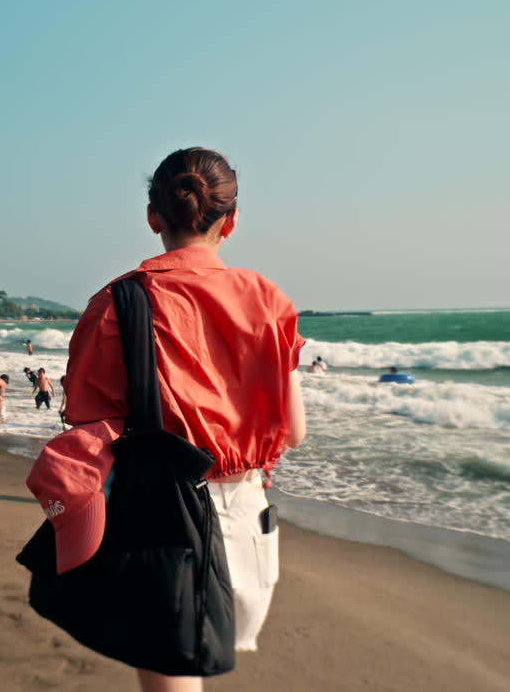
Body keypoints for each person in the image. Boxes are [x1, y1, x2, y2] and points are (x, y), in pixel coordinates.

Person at [26, 147, 306, 691]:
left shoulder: (118, 302)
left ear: (153, 216)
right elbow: (293, 431)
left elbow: (89, 419)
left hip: (160, 511)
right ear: (232, 221)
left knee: (173, 676)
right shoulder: (268, 300)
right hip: (247, 511)